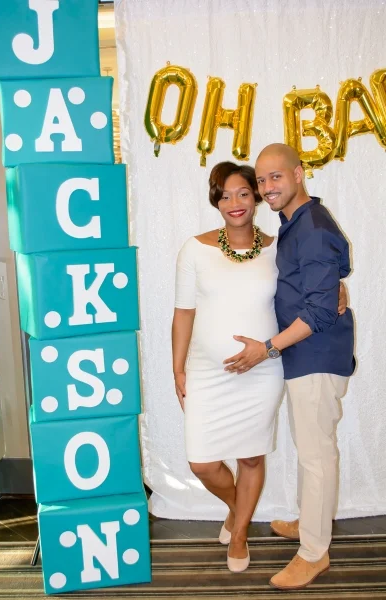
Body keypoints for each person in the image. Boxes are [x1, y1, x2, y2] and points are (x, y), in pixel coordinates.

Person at [171, 160, 347, 574]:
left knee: (251, 458)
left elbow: (309, 282)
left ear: (255, 199)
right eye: (225, 196)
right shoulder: (194, 249)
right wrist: (177, 369)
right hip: (207, 372)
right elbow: (183, 313)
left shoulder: (276, 247)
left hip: (262, 371)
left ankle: (239, 533)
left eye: (243, 193)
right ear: (215, 202)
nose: (234, 202)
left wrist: (338, 290)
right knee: (202, 463)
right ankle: (239, 510)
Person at [223, 143, 355, 589]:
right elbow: (335, 270)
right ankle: (309, 522)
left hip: (316, 355)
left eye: (275, 177)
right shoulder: (298, 223)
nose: (266, 188)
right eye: (261, 180)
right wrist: (336, 287)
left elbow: (318, 311)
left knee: (317, 456)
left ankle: (314, 553)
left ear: (298, 174)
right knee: (310, 449)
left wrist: (266, 349)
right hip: (306, 356)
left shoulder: (311, 227)